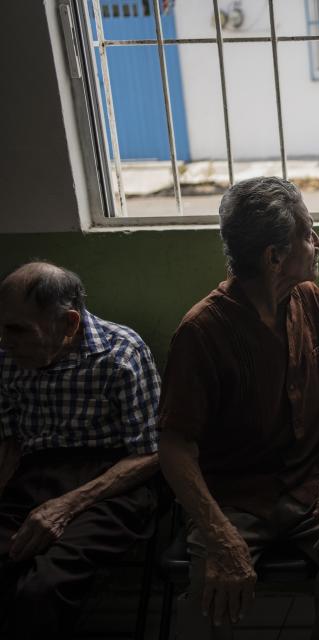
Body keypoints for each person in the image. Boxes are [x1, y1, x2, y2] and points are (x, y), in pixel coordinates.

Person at [158, 177, 319, 640]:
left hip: (309, 489)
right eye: (308, 233)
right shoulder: (202, 332)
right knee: (208, 585)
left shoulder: (307, 298)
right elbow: (174, 446)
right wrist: (220, 536)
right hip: (234, 498)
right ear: (274, 257)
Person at [0, 262, 160, 638]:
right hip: (34, 475)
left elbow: (152, 453)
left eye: (18, 330)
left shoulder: (120, 354)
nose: (6, 341)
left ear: (69, 324)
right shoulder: (8, 357)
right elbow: (8, 443)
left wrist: (67, 505)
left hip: (112, 484)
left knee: (42, 589)